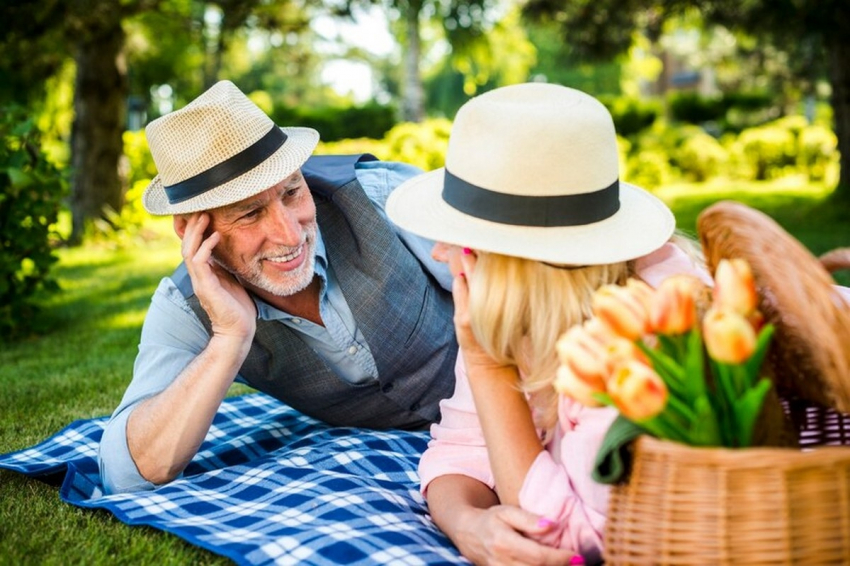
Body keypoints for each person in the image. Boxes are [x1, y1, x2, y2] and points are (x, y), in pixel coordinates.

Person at [385, 83, 711, 565]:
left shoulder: (643, 333)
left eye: (463, 238)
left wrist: (486, 366)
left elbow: (582, 543)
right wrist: (468, 523)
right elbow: (460, 446)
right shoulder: (524, 316)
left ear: (520, 262)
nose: (438, 252)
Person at [98, 80, 458, 494]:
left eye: (291, 193)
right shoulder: (185, 308)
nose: (289, 234)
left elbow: (519, 287)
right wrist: (229, 339)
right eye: (250, 213)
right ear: (190, 229)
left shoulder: (380, 195)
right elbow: (126, 474)